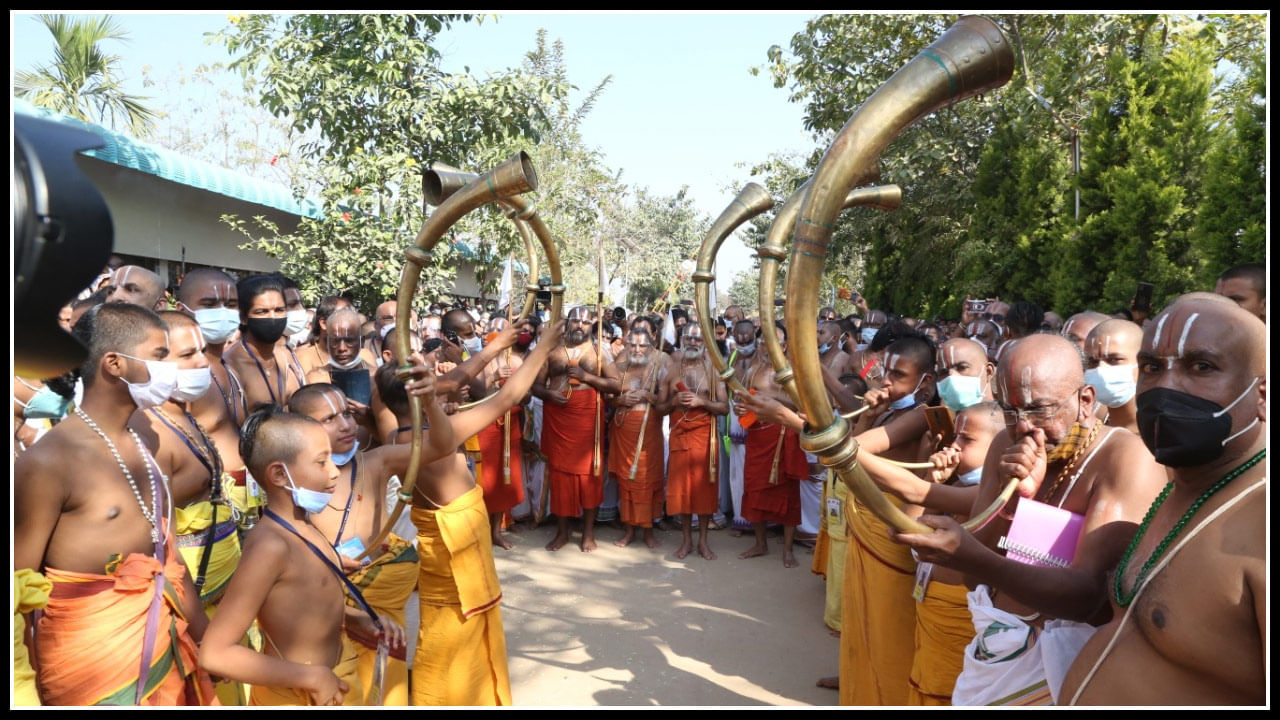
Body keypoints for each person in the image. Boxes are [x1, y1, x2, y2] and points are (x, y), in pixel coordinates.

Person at [894, 333, 1166, 706]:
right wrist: (1013, 502)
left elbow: (1087, 598)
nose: (1023, 427)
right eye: (1010, 410)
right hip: (996, 651)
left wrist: (973, 556)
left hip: (1065, 670)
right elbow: (976, 580)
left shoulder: (1124, 458)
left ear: (1085, 401)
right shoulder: (1004, 447)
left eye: (1039, 410)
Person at [1061, 296, 1266, 705]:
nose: (1167, 386)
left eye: (1201, 367)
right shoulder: (1182, 487)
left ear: (1262, 393)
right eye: (1152, 366)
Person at [15, 303, 215, 705]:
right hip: (87, 669)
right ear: (114, 364)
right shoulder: (49, 461)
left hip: (166, 648)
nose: (169, 369)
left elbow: (169, 563)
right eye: (159, 357)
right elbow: (17, 580)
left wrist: (208, 644)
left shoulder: (145, 446)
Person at [380, 319, 564, 705]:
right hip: (455, 584)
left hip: (443, 573)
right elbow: (507, 397)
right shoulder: (433, 444)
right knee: (452, 669)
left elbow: (460, 376)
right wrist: (543, 347)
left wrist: (499, 347)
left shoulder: (397, 437)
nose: (444, 381)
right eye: (433, 380)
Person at [199, 407, 402, 706]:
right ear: (280, 474)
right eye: (321, 462)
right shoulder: (271, 546)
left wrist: (357, 619)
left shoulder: (305, 524)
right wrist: (310, 677)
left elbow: (299, 604)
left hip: (336, 679)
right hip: (298, 693)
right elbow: (215, 654)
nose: (334, 471)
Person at [288, 380, 451, 706]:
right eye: (329, 419)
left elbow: (442, 445)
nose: (346, 425)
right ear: (300, 430)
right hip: (326, 618)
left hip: (381, 610)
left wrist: (431, 402)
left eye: (347, 414)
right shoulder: (294, 484)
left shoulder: (376, 461)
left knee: (385, 689)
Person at [534, 307, 617, 552]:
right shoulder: (552, 351)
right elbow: (535, 387)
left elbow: (617, 384)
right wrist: (549, 394)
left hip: (587, 418)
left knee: (589, 475)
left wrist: (587, 377)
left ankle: (588, 533)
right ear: (567, 323)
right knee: (560, 476)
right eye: (575, 321)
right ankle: (562, 532)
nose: (580, 326)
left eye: (585, 322)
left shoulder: (600, 352)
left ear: (592, 325)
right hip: (558, 417)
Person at [735, 323, 807, 568]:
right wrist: (741, 407)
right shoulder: (752, 370)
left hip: (784, 435)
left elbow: (800, 406)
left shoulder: (792, 372)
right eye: (764, 341)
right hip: (758, 436)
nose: (767, 346)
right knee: (755, 488)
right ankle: (760, 543)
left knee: (788, 492)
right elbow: (741, 400)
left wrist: (770, 399)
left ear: (785, 346)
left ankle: (787, 549)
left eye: (774, 341)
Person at [661, 323, 729, 560]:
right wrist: (673, 402)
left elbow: (724, 407)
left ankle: (703, 541)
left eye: (698, 339)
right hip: (680, 435)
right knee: (682, 490)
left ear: (705, 343)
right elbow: (659, 408)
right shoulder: (671, 370)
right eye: (688, 338)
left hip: (704, 438)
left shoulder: (713, 371)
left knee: (703, 490)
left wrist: (702, 403)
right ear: (681, 339)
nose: (692, 342)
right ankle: (686, 541)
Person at [475, 316, 536, 549]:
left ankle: (496, 532)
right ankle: (479, 532)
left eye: (499, 330)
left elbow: (528, 396)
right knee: (483, 481)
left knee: (503, 479)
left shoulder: (517, 361)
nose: (492, 333)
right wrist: (494, 377)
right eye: (490, 329)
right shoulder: (477, 361)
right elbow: (475, 394)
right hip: (483, 427)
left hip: (509, 426)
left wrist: (515, 386)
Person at [609, 327, 669, 549]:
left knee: (647, 479)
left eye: (642, 345)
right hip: (624, 429)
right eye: (632, 344)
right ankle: (629, 530)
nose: (636, 349)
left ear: (650, 347)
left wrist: (647, 396)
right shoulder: (620, 366)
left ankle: (648, 531)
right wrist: (620, 402)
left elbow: (665, 404)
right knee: (627, 482)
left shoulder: (660, 367)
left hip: (648, 430)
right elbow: (609, 398)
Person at [224, 276, 306, 412]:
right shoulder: (231, 366)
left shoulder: (287, 356)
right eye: (262, 311)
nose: (272, 318)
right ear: (243, 318)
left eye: (279, 310)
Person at [1082, 319, 1143, 433]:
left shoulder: (1159, 435)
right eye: (1092, 361)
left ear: (1142, 363)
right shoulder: (1085, 432)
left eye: (1114, 360)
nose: (1100, 370)